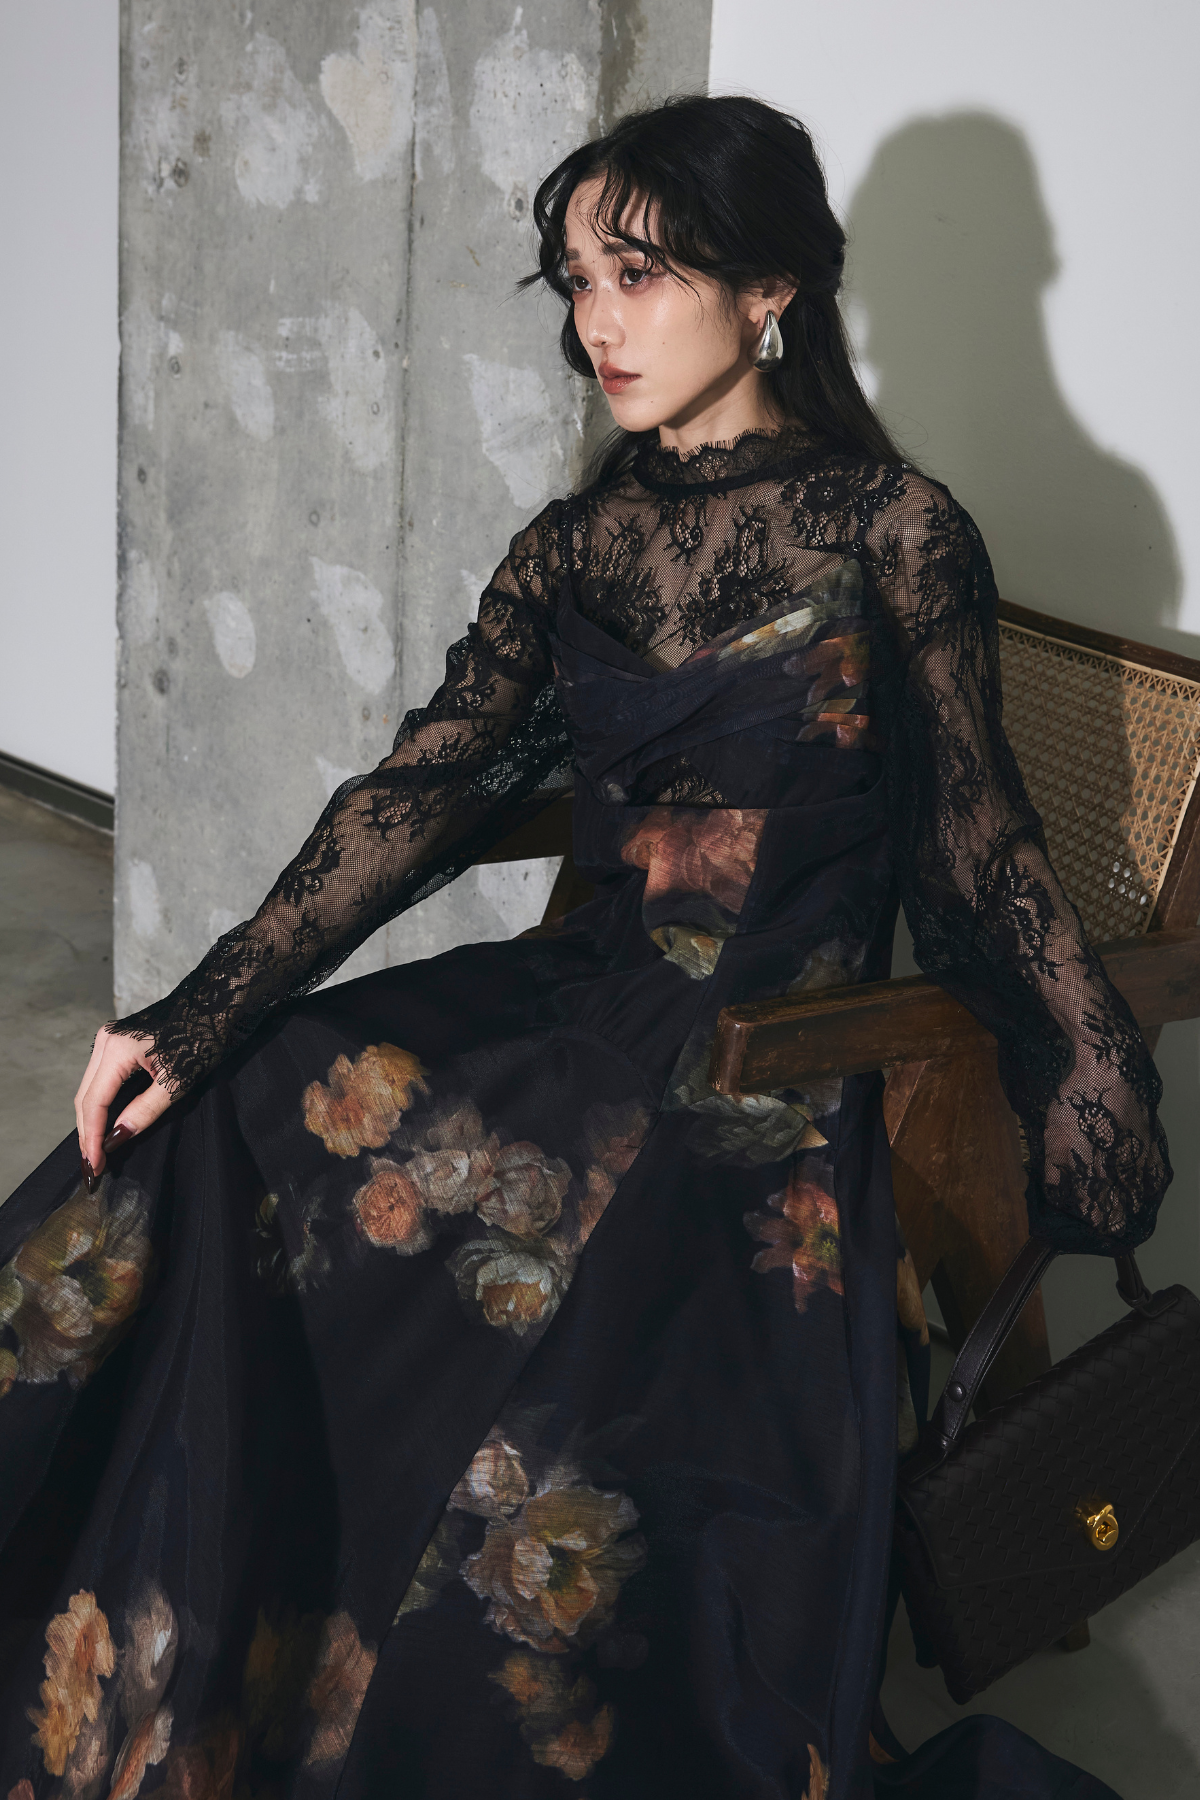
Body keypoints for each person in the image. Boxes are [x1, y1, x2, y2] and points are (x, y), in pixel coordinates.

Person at [0, 94, 1168, 1800]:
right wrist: (201, 1006)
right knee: (242, 1104)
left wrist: (1090, 1063)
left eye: (639, 275)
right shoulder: (580, 541)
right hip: (585, 998)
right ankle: (181, 1634)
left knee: (539, 1443)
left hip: (771, 1062)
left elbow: (976, 842)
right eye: (575, 282)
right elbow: (420, 791)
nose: (596, 323)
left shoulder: (896, 531)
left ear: (769, 288)